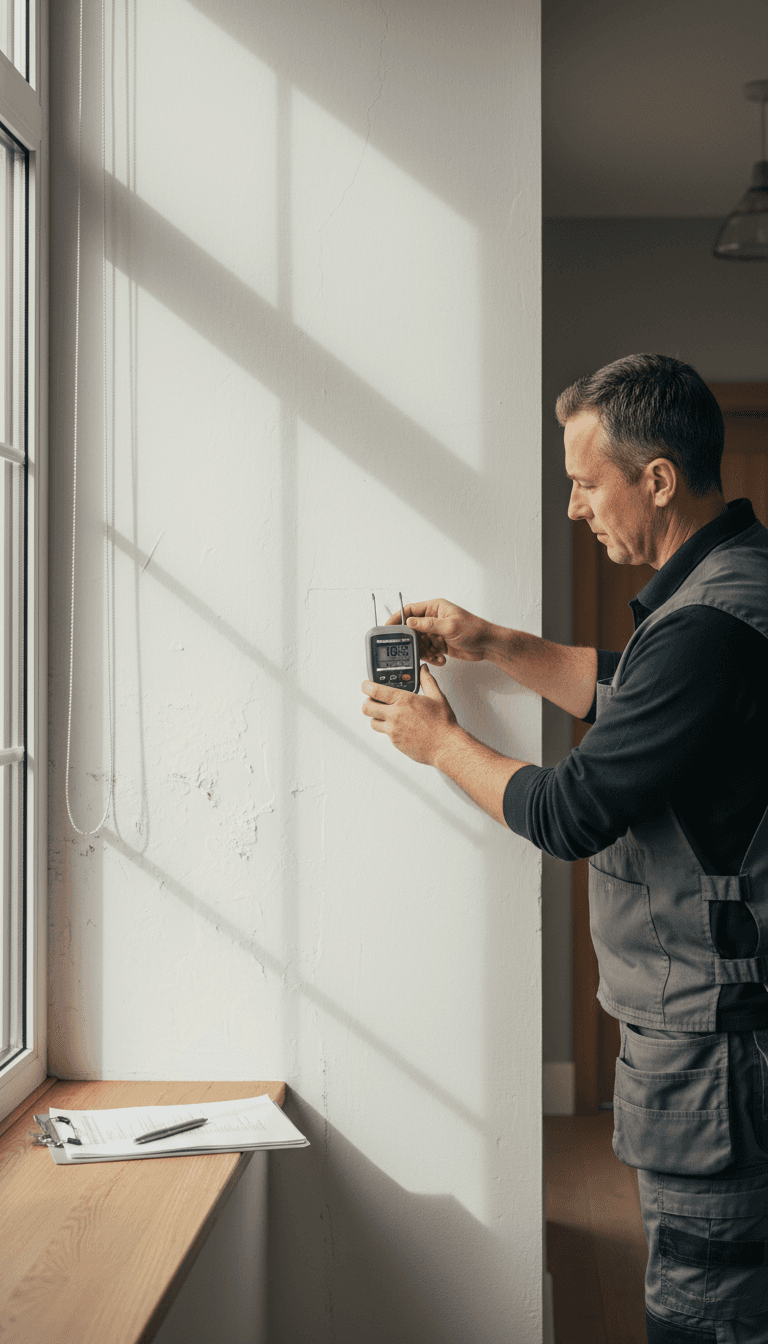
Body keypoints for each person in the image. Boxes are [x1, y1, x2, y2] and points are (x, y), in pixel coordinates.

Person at [361, 354, 768, 1344]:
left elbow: (570, 810)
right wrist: (495, 642)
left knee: (705, 1316)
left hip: (716, 1054)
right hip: (726, 1038)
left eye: (587, 483)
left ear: (657, 479)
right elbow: (634, 688)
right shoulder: (732, 583)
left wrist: (442, 742)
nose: (577, 507)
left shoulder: (708, 626)